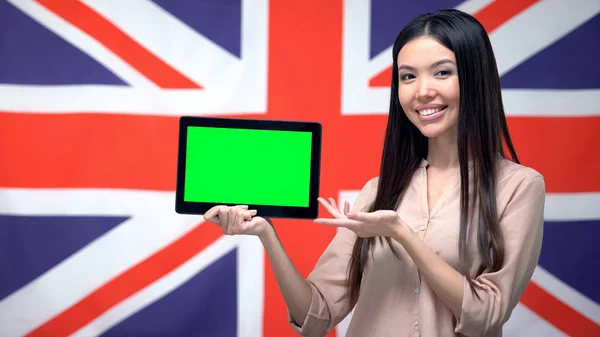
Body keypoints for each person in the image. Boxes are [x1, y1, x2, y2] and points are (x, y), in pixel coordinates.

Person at [203, 9, 545, 337]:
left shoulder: (519, 187)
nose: (422, 90)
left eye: (442, 72)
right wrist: (266, 234)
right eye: (408, 76)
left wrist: (401, 233)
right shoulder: (378, 191)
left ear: (476, 78)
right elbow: (316, 317)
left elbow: (486, 314)